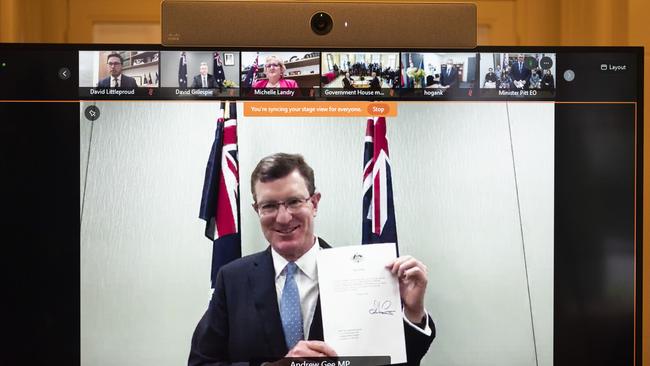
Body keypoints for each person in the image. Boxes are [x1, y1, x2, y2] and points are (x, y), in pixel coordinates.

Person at [189, 153, 435, 365]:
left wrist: (413, 313)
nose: (283, 218)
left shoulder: (364, 276)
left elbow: (394, 362)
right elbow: (201, 363)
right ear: (257, 210)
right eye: (269, 206)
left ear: (314, 203)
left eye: (294, 202)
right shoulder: (232, 279)